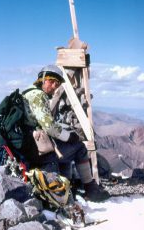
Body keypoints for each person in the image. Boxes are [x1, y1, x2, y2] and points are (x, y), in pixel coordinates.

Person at [23, 64, 110, 202]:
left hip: (28, 147)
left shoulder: (27, 92)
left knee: (66, 150)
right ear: (44, 80)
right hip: (36, 152)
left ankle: (67, 189)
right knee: (79, 148)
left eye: (56, 84)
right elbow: (49, 126)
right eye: (52, 82)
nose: (54, 87)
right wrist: (69, 136)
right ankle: (91, 190)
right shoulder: (39, 96)